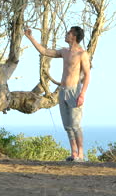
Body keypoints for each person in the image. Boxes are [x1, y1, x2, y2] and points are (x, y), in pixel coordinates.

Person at [24, 26, 91, 162]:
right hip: (63, 91)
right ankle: (73, 154)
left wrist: (82, 94)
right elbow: (44, 51)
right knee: (67, 125)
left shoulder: (82, 54)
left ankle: (81, 155)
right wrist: (30, 37)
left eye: (68, 33)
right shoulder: (64, 51)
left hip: (75, 91)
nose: (66, 35)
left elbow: (88, 75)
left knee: (75, 124)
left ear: (74, 36)